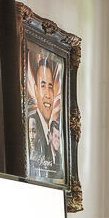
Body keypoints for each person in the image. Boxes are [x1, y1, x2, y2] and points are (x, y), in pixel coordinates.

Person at [25, 50, 62, 179]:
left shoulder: (55, 130)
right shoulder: (31, 123)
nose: (47, 94)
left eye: (50, 87)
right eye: (43, 86)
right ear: (35, 90)